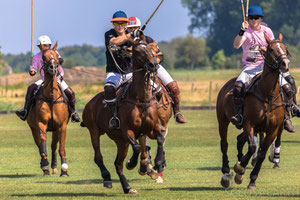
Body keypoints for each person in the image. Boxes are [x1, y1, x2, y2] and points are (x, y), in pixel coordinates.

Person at [231, 5, 299, 132]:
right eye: (251, 18)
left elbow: (273, 46)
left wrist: (266, 50)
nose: (253, 20)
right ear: (248, 19)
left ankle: (290, 112)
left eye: (256, 18)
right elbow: (236, 45)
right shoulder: (246, 32)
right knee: (238, 86)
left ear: (261, 18)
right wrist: (241, 31)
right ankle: (239, 114)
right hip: (250, 67)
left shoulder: (266, 31)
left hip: (267, 66)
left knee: (288, 85)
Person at [127, 16, 187, 124]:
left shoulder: (149, 40)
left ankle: (177, 112)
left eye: (135, 28)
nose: (132, 30)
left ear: (139, 28)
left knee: (174, 88)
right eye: (130, 28)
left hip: (154, 67)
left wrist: (153, 62)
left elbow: (160, 55)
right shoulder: (126, 42)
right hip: (135, 70)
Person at [16, 35, 81, 122]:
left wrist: (57, 59)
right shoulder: (36, 57)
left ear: (50, 45)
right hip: (44, 79)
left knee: (71, 93)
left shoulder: (54, 52)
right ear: (40, 46)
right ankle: (25, 111)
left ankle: (73, 113)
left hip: (57, 78)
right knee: (30, 88)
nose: (46, 47)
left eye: (48, 45)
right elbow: (34, 71)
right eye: (44, 45)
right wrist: (31, 71)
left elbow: (61, 60)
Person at [104, 11, 133, 129]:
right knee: (109, 89)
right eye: (117, 23)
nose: (120, 26)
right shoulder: (109, 34)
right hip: (114, 72)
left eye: (122, 23)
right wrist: (129, 36)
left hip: (131, 72)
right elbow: (114, 42)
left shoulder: (132, 34)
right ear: (113, 24)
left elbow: (135, 47)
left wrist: (133, 40)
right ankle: (113, 117)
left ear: (126, 24)